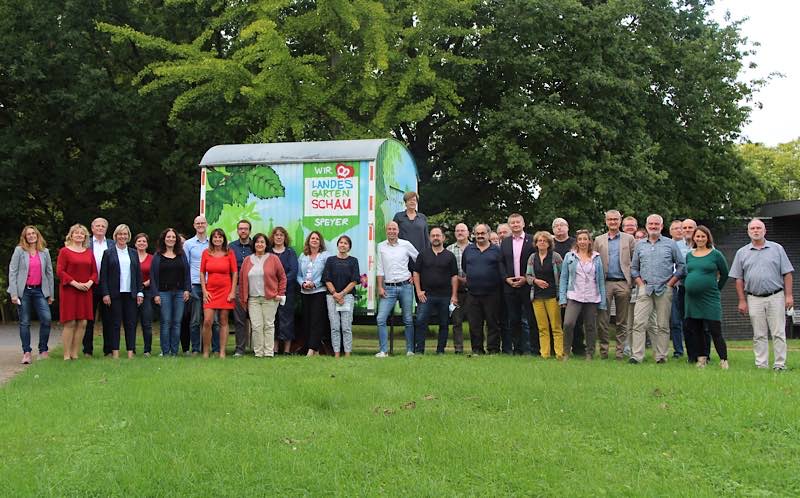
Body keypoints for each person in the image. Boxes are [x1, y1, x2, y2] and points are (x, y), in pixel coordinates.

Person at [729, 218, 794, 370]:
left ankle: (779, 364)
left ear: (765, 231)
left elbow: (788, 273)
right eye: (753, 229)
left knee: (778, 332)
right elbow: (738, 279)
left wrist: (789, 296)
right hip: (753, 298)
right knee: (759, 334)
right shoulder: (741, 253)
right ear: (748, 232)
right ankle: (761, 364)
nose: (756, 231)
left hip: (776, 296)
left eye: (759, 228)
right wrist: (742, 301)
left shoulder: (777, 249)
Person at [630, 214, 685, 364]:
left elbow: (681, 266)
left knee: (662, 325)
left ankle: (661, 356)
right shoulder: (640, 245)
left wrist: (670, 283)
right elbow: (634, 268)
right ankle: (637, 356)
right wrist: (640, 284)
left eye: (656, 224)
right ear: (647, 225)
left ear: (661, 226)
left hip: (664, 288)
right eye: (651, 224)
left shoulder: (670, 244)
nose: (653, 226)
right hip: (645, 288)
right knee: (639, 323)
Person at [684, 226, 729, 369]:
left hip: (710, 298)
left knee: (715, 329)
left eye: (703, 236)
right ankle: (701, 358)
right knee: (696, 329)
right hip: (692, 299)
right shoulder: (689, 255)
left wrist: (716, 288)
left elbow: (725, 273)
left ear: (708, 238)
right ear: (693, 238)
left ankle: (723, 360)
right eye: (697, 236)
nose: (700, 239)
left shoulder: (716, 254)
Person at [8, 226, 54, 363]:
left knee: (46, 319)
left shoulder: (44, 252)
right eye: (28, 234)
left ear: (37, 235)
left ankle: (43, 350)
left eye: (33, 233)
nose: (31, 236)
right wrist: (14, 294)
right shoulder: (19, 251)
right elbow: (13, 272)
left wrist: (51, 294)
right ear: (25, 237)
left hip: (40, 290)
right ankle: (26, 352)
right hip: (24, 292)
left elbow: (49, 273)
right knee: (25, 322)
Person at [594, 210, 635, 360]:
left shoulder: (629, 239)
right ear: (606, 221)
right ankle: (604, 352)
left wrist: (631, 281)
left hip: (623, 283)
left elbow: (635, 261)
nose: (613, 222)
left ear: (620, 221)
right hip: (604, 283)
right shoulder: (598, 240)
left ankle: (619, 352)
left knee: (622, 320)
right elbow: (594, 262)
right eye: (610, 219)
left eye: (615, 219)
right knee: (602, 320)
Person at [559, 230, 607, 359]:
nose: (582, 242)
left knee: (590, 326)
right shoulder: (570, 256)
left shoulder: (596, 257)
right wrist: (562, 298)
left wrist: (602, 301)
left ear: (589, 241)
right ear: (577, 241)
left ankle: (590, 353)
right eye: (580, 239)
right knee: (568, 323)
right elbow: (563, 278)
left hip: (592, 295)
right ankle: (566, 352)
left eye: (585, 239)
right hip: (574, 295)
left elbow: (600, 280)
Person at [100, 224, 144, 359]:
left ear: (128, 236)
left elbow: (138, 275)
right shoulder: (108, 253)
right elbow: (104, 276)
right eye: (120, 234)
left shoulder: (133, 253)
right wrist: (105, 293)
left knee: (131, 323)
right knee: (115, 324)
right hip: (114, 294)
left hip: (131, 293)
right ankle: (115, 353)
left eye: (125, 234)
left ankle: (131, 352)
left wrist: (140, 292)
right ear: (115, 236)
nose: (122, 236)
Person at [239, 233, 286, 358]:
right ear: (253, 244)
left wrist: (280, 294)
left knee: (269, 325)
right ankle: (258, 352)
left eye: (262, 242)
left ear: (266, 245)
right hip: (253, 299)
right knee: (256, 326)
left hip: (270, 298)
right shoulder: (247, 260)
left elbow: (282, 277)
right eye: (257, 242)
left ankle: (269, 352)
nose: (259, 244)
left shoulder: (274, 259)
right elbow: (242, 281)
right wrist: (243, 298)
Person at [375, 221, 419, 357]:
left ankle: (410, 350)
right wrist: (380, 287)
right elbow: (380, 268)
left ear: (398, 231)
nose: (392, 231)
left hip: (405, 285)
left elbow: (419, 259)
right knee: (381, 318)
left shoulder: (406, 245)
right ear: (386, 231)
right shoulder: (381, 246)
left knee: (408, 320)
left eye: (394, 229)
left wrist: (414, 275)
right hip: (388, 288)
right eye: (389, 229)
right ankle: (383, 351)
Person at [413, 227, 458, 354]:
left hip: (445, 296)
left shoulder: (450, 256)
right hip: (426, 295)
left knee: (444, 324)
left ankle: (440, 351)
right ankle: (419, 350)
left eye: (438, 235)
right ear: (429, 238)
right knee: (421, 321)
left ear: (443, 238)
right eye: (433, 235)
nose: (436, 238)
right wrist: (418, 291)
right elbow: (416, 273)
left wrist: (454, 295)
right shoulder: (423, 255)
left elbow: (454, 277)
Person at [56, 224, 97, 360]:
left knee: (83, 322)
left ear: (85, 236)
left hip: (85, 290)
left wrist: (89, 283)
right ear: (71, 235)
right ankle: (66, 354)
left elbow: (94, 272)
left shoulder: (88, 252)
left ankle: (75, 353)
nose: (79, 235)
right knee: (70, 322)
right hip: (70, 290)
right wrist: (74, 283)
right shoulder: (64, 251)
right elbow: (60, 271)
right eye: (76, 233)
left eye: (82, 233)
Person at [462, 223, 503, 354]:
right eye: (477, 233)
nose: (480, 236)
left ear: (488, 234)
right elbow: (464, 267)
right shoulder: (468, 250)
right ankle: (477, 349)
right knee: (474, 324)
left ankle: (493, 349)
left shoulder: (496, 250)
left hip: (492, 293)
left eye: (483, 233)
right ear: (474, 234)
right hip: (473, 293)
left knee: (493, 323)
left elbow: (501, 269)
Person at [150, 228, 191, 357]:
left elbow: (187, 273)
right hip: (163, 293)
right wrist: (155, 294)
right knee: (166, 322)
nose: (171, 239)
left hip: (179, 293)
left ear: (177, 240)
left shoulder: (181, 254)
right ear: (164, 239)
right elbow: (153, 276)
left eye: (173, 237)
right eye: (168, 237)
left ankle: (174, 351)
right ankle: (165, 351)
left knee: (177, 323)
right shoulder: (157, 255)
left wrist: (187, 290)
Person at [500, 213, 535, 355]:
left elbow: (535, 262)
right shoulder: (506, 242)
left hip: (526, 285)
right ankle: (518, 349)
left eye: (517, 222)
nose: (515, 225)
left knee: (530, 318)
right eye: (512, 223)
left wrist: (527, 278)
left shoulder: (531, 240)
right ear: (509, 225)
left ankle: (533, 348)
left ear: (523, 224)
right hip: (510, 286)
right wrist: (506, 278)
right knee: (513, 319)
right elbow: (501, 262)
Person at [185, 216, 219, 354]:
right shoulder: (188, 244)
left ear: (207, 224)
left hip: (212, 285)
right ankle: (196, 349)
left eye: (202, 223)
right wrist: (187, 287)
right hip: (195, 285)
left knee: (214, 320)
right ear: (194, 225)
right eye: (197, 223)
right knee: (195, 320)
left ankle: (216, 349)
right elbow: (185, 266)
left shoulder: (212, 244)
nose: (200, 225)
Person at [526, 231, 564, 359]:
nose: (541, 243)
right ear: (536, 243)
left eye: (544, 241)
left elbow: (563, 275)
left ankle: (559, 354)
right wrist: (536, 281)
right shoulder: (532, 258)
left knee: (556, 327)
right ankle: (545, 354)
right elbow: (528, 276)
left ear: (549, 243)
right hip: (537, 296)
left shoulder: (556, 257)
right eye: (539, 241)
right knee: (542, 327)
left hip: (553, 295)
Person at [323, 235, 360, 358]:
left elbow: (354, 280)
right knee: (334, 327)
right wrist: (335, 294)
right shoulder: (330, 260)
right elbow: (326, 279)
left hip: (347, 297)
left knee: (346, 327)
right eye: (341, 242)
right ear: (337, 245)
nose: (343, 245)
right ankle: (337, 354)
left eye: (346, 243)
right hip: (332, 297)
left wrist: (342, 294)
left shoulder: (353, 261)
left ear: (349, 247)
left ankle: (348, 354)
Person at [552, 217, 584, 356]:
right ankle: (558, 349)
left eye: (562, 225)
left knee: (576, 320)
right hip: (554, 286)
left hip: (575, 286)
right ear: (553, 230)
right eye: (556, 226)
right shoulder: (549, 243)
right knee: (557, 320)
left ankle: (578, 348)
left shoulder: (575, 243)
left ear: (568, 227)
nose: (559, 228)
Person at [297, 231, 331, 356]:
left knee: (316, 321)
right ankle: (314, 349)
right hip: (305, 292)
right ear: (308, 240)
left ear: (320, 241)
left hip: (319, 292)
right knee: (307, 320)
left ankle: (311, 349)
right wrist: (302, 283)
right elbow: (298, 275)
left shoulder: (325, 256)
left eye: (317, 238)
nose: (314, 240)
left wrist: (315, 283)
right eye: (312, 238)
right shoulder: (303, 256)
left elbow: (327, 274)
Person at [83, 217, 112, 357]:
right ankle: (87, 350)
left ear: (106, 229)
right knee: (89, 320)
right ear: (92, 228)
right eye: (97, 226)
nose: (100, 228)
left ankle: (109, 350)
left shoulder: (112, 244)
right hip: (89, 286)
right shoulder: (85, 243)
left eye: (103, 226)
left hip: (108, 287)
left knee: (109, 320)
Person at [270, 227, 298, 354]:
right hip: (271, 291)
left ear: (285, 237)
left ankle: (287, 350)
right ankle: (274, 349)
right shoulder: (269, 253)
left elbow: (293, 271)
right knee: (273, 319)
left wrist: (281, 284)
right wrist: (273, 285)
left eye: (281, 235)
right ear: (273, 237)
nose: (279, 237)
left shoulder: (290, 252)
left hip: (287, 292)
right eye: (276, 235)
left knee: (287, 319)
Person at [229, 219, 253, 357]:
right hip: (238, 286)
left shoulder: (255, 245)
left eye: (246, 228)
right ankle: (240, 349)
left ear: (250, 230)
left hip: (255, 286)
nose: (243, 231)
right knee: (239, 319)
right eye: (240, 228)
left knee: (257, 319)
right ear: (237, 231)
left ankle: (259, 348)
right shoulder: (231, 247)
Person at [446, 223, 471, 354]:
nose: (460, 233)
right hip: (456, 291)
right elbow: (447, 271)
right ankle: (458, 349)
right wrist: (459, 280)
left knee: (475, 321)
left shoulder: (474, 248)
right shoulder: (449, 249)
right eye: (457, 231)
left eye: (462, 230)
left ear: (468, 233)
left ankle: (477, 348)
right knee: (456, 321)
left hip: (473, 290)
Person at [668, 220, 687, 359]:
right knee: (675, 321)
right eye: (675, 228)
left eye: (680, 228)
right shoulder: (666, 245)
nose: (679, 231)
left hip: (687, 286)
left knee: (689, 320)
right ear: (670, 231)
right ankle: (678, 351)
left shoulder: (691, 245)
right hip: (672, 285)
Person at [134, 233, 154, 356]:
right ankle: (132, 349)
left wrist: (145, 284)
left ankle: (147, 350)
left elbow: (155, 275)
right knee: (131, 323)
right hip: (132, 292)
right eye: (139, 241)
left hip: (147, 292)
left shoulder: (152, 258)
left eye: (144, 241)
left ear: (147, 244)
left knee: (146, 322)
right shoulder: (130, 256)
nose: (141, 243)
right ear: (135, 243)